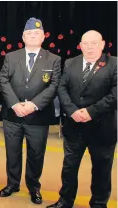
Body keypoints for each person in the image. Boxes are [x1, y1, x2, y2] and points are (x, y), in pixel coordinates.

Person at [47, 30, 117, 208]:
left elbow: (115, 95)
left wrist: (91, 112)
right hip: (74, 126)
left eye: (94, 43)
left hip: (102, 128)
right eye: (86, 43)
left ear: (102, 44)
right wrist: (72, 111)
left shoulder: (114, 64)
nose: (90, 47)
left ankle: (99, 203)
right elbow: (62, 89)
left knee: (102, 170)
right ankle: (65, 201)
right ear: (80, 45)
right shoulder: (71, 63)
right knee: (69, 168)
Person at [0, 17, 61, 204]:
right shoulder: (11, 56)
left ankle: (34, 187)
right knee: (12, 152)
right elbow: (3, 80)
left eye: (37, 33)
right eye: (29, 34)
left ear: (43, 37)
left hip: (38, 115)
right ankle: (12, 184)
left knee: (36, 154)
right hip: (12, 115)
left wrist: (33, 105)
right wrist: (15, 104)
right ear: (23, 37)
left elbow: (54, 85)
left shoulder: (54, 59)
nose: (33, 36)